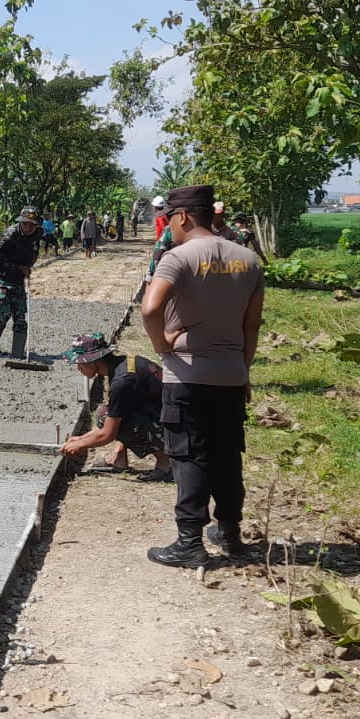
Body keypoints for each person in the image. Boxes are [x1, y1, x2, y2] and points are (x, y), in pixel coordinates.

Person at [140, 184, 265, 568]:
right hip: (230, 374)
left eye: (170, 219)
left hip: (188, 375)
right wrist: (244, 371)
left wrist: (162, 346)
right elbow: (252, 325)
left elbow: (150, 308)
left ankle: (189, 542)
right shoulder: (249, 260)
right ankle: (229, 532)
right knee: (227, 453)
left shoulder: (178, 258)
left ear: (182, 217)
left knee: (189, 454)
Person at [60, 333, 171, 479]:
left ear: (94, 361)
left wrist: (80, 445)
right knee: (107, 413)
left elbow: (108, 434)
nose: (78, 368)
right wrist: (80, 439)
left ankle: (167, 462)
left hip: (175, 428)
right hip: (164, 415)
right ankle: (119, 457)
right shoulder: (124, 363)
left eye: (80, 363)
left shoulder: (122, 382)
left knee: (111, 417)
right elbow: (118, 412)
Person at [0, 206, 43, 358]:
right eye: (25, 224)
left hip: (18, 279)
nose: (28, 227)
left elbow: (35, 252)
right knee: (3, 313)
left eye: (32, 224)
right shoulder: (9, 235)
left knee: (20, 317)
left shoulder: (38, 234)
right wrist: (19, 267)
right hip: (0, 276)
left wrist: (29, 267)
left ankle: (17, 354)